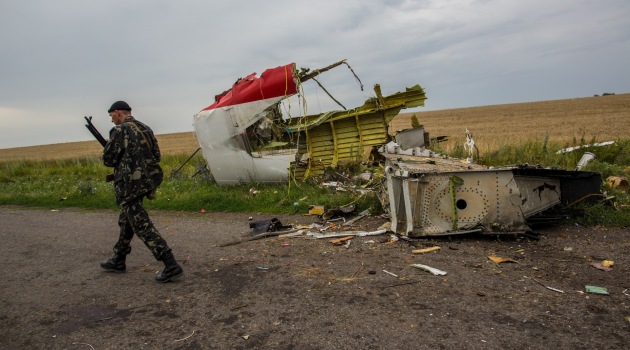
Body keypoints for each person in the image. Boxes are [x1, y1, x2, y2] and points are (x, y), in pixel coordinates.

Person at [99, 100, 183, 282]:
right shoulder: (145, 128)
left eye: (111, 116)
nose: (111, 120)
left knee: (142, 225)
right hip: (146, 182)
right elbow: (156, 155)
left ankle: (170, 264)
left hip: (129, 185)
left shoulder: (119, 130)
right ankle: (118, 259)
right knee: (127, 220)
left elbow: (108, 159)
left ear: (117, 113)